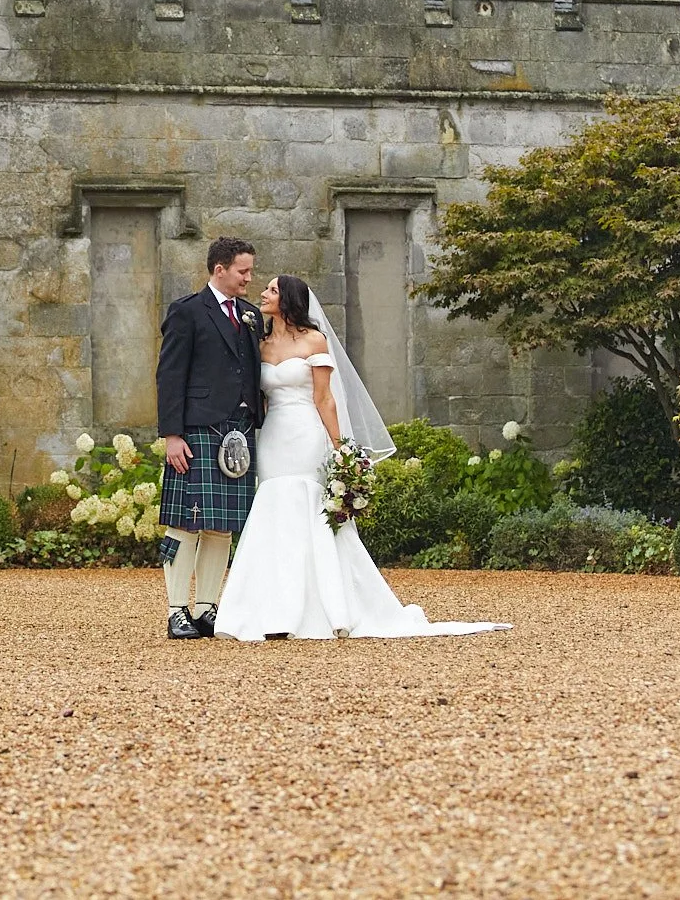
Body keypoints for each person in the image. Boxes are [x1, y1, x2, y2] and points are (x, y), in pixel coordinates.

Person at [213, 273, 509, 642]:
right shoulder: (259, 344)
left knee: (308, 508)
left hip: (306, 432)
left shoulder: (314, 340)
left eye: (272, 289)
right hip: (273, 435)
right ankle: (272, 608)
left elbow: (324, 398)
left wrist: (340, 448)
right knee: (274, 507)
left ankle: (330, 607)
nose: (263, 293)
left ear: (287, 299)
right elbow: (261, 396)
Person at [154, 236, 264, 639]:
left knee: (222, 527)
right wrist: (171, 434)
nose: (249, 278)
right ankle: (176, 610)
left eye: (250, 271)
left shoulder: (251, 315)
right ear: (220, 269)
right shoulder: (188, 312)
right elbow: (169, 376)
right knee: (185, 523)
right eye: (243, 271)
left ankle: (206, 608)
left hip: (239, 431)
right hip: (198, 431)